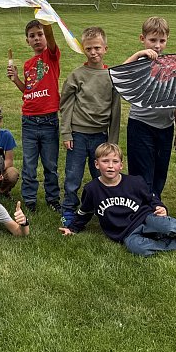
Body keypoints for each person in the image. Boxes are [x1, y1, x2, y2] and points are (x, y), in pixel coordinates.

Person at [58, 143, 176, 257]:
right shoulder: (92, 189)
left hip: (145, 218)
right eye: (105, 161)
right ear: (97, 164)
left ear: (121, 165)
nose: (110, 166)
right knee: (138, 248)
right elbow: (85, 212)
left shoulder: (134, 182)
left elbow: (151, 198)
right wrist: (73, 228)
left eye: (115, 162)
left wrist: (160, 206)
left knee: (165, 225)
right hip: (125, 233)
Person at [58, 26, 121, 227]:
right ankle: (69, 209)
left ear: (105, 49)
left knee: (102, 175)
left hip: (100, 137)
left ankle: (105, 208)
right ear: (83, 49)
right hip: (77, 135)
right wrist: (66, 132)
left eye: (97, 48)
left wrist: (113, 142)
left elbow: (116, 110)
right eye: (89, 49)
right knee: (73, 175)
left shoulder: (111, 76)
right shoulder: (77, 75)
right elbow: (66, 105)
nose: (93, 52)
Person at [121, 17, 176, 199]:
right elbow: (119, 74)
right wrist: (138, 55)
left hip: (165, 128)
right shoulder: (139, 63)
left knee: (160, 170)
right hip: (141, 125)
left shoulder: (171, 66)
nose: (157, 45)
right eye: (152, 40)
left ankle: (154, 201)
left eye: (162, 41)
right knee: (141, 171)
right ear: (143, 39)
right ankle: (142, 205)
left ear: (167, 40)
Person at [7, 20, 61, 213]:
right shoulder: (28, 64)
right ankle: (29, 200)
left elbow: (51, 36)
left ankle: (53, 198)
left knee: (50, 164)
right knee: (29, 165)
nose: (37, 38)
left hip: (49, 121)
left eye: (40, 34)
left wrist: (44, 17)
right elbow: (28, 90)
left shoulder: (51, 56)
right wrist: (16, 79)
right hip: (29, 121)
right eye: (32, 36)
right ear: (27, 41)